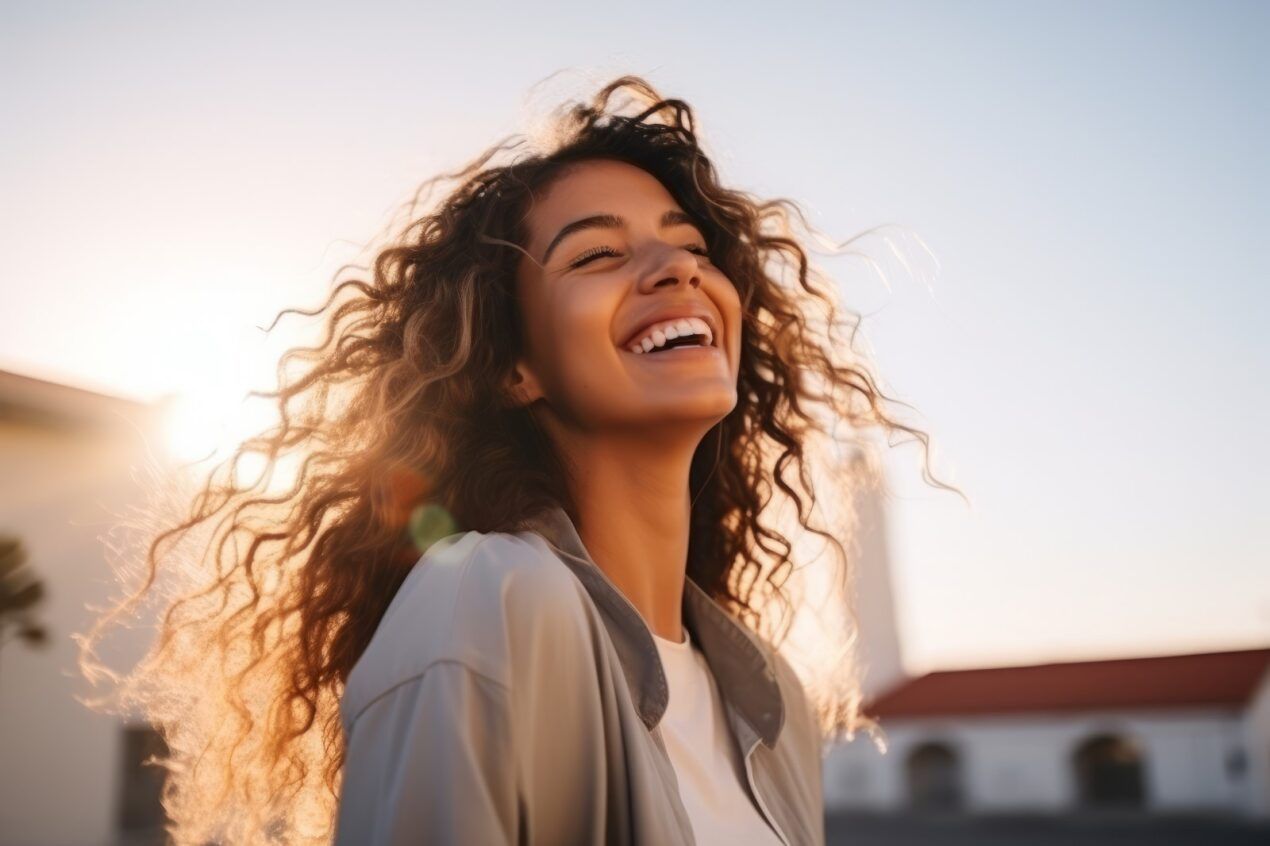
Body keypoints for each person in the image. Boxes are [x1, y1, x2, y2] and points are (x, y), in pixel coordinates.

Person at [78, 73, 956, 846]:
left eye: (690, 246)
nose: (675, 270)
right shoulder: (490, 597)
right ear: (513, 367)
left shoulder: (772, 697)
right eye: (598, 254)